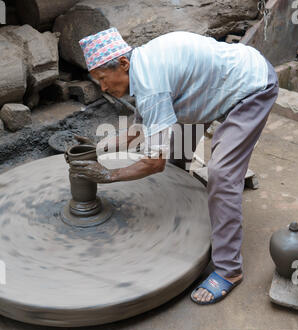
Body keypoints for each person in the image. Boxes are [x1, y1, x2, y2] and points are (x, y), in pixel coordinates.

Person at [71, 27, 279, 305]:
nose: (104, 89)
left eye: (103, 79)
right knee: (177, 142)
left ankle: (229, 269)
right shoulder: (143, 65)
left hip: (251, 86)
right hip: (208, 86)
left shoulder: (151, 86)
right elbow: (143, 127)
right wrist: (99, 148)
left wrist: (109, 175)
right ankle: (187, 201)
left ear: (122, 64)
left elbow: (154, 164)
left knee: (222, 175)